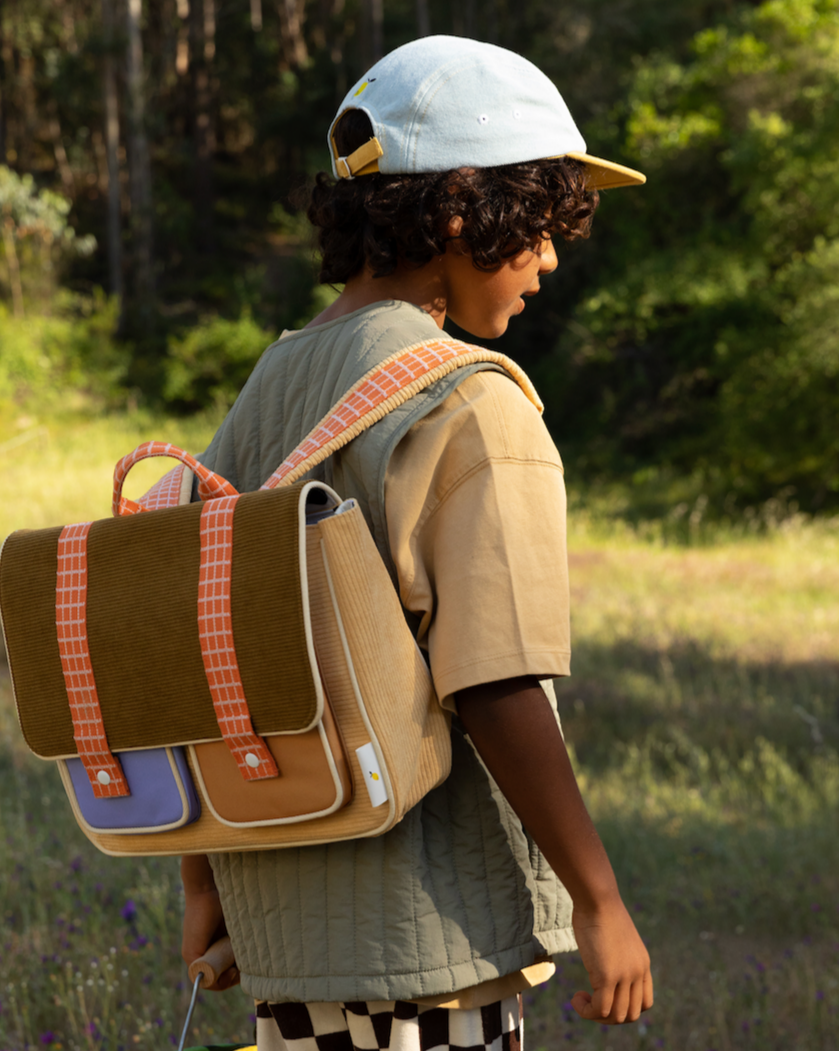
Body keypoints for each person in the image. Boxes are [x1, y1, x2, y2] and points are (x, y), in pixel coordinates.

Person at [181, 35, 653, 1051]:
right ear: (457, 213)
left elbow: (194, 650)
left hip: (284, 950)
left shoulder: (272, 387)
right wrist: (601, 899)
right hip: (424, 954)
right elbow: (492, 678)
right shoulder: (471, 404)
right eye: (537, 224)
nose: (551, 258)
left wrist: (202, 881)